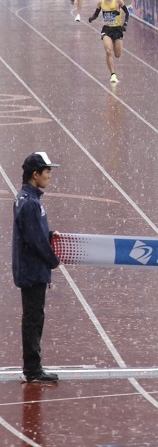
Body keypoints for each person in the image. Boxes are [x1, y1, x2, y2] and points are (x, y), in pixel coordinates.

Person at [13, 152, 62, 383]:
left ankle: (33, 367)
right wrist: (53, 260)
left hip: (31, 269)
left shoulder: (28, 199)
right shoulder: (30, 203)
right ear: (35, 174)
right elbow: (33, 240)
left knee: (34, 317)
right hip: (33, 271)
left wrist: (51, 235)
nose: (50, 175)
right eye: (47, 171)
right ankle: (32, 370)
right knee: (33, 319)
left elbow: (34, 233)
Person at [88, 0, 129, 83]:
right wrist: (92, 18)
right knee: (108, 50)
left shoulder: (118, 1)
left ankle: (113, 71)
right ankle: (113, 75)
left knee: (118, 54)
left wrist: (125, 24)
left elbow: (127, 13)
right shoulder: (100, 2)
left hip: (117, 29)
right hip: (107, 29)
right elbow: (96, 14)